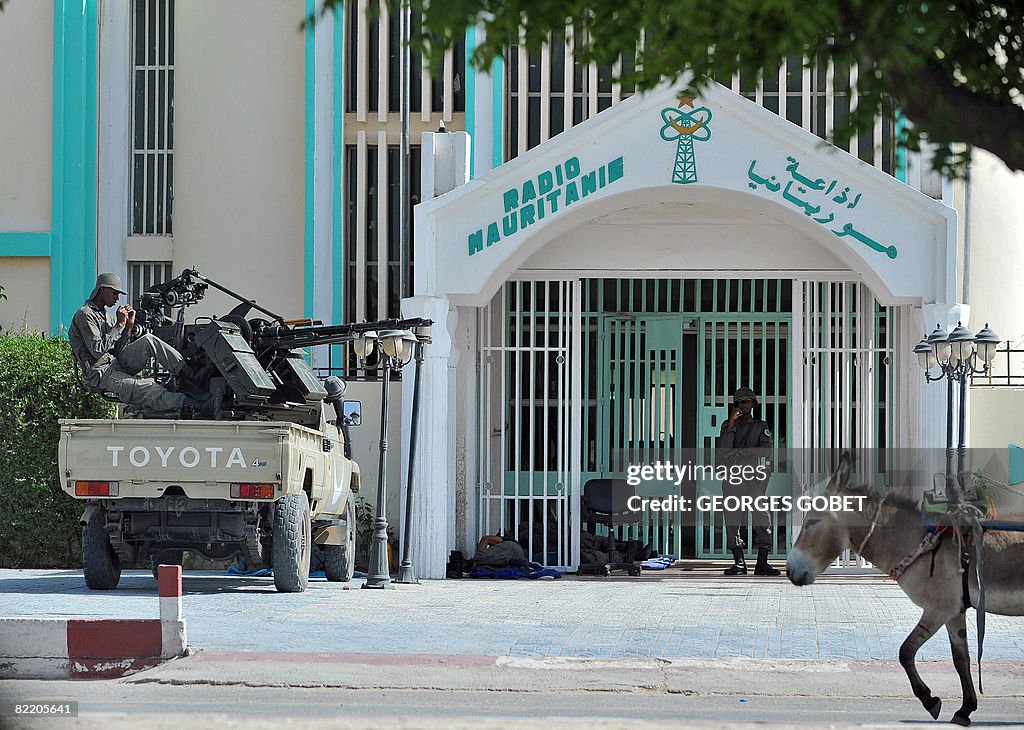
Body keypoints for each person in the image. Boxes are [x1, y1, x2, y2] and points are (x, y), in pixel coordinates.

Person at [69, 272, 207, 415]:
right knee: (148, 387)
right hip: (100, 373)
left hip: (113, 363)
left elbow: (116, 350)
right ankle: (193, 404)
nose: (117, 298)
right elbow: (97, 350)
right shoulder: (85, 315)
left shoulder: (105, 315)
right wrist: (118, 325)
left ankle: (192, 375)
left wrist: (128, 326)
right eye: (114, 293)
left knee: (149, 340)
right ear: (102, 289)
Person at [717, 386, 780, 576]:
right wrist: (731, 424)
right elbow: (723, 451)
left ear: (753, 404)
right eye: (741, 402)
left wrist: (741, 452)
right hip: (733, 478)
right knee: (732, 518)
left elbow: (764, 450)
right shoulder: (727, 426)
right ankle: (739, 563)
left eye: (748, 402)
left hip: (752, 478)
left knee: (762, 517)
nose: (744, 405)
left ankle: (762, 562)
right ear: (736, 404)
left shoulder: (760, 426)